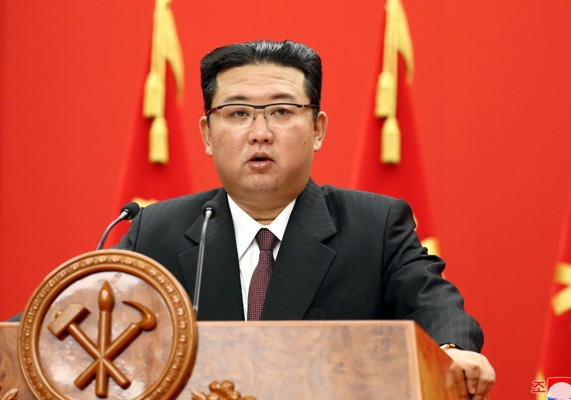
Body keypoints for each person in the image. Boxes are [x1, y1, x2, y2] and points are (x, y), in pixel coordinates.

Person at [115, 40, 495, 398]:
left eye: (281, 111)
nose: (260, 133)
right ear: (207, 135)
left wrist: (450, 351)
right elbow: (102, 325)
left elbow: (432, 303)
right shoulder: (155, 232)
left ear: (317, 129)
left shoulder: (375, 226)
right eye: (238, 113)